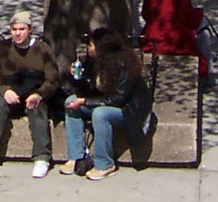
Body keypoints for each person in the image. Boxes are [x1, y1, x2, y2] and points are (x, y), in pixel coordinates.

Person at [62, 29, 154, 180]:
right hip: (105, 104)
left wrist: (85, 102)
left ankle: (105, 163)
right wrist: (79, 79)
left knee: (100, 113)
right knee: (71, 102)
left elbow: (117, 99)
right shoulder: (94, 63)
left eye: (91, 45)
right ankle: (75, 156)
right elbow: (91, 92)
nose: (88, 48)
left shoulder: (124, 64)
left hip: (130, 111)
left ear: (101, 47)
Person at [0, 10, 60, 177]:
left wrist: (39, 94)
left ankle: (42, 157)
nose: (17, 33)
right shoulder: (3, 49)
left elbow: (53, 79)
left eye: (22, 29)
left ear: (29, 29)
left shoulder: (42, 49)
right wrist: (4, 91)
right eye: (14, 29)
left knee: (37, 110)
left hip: (33, 94)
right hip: (11, 94)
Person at [141, 0, 211, 77]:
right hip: (172, 43)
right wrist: (199, 12)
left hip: (152, 40)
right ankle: (207, 75)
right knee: (204, 33)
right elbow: (191, 22)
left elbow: (145, 14)